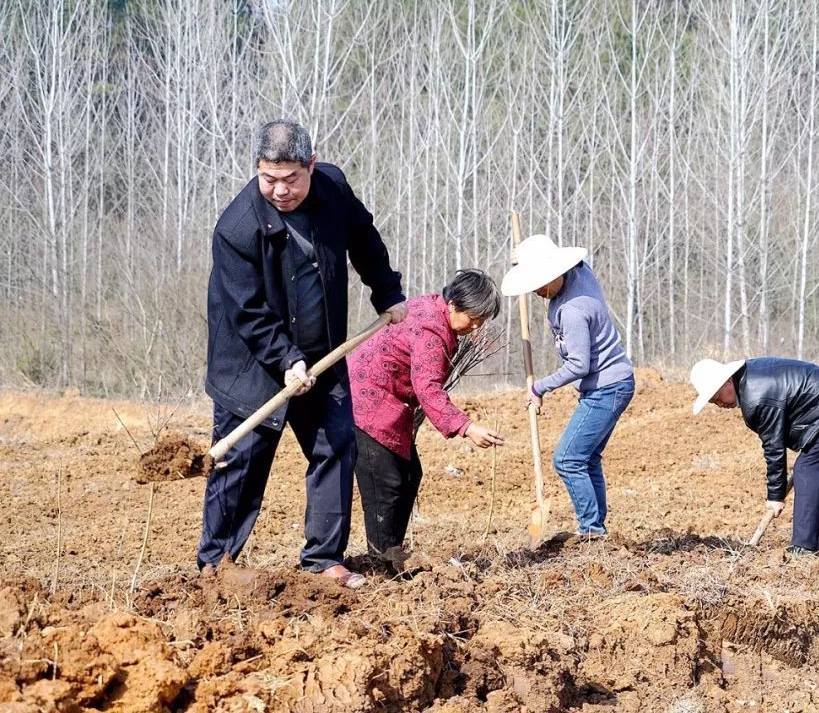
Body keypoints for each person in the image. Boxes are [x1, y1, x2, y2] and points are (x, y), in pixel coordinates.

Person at [201, 120, 407, 587]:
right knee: (242, 466)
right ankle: (215, 567)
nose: (279, 190)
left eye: (291, 178)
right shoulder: (236, 229)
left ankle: (324, 559)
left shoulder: (332, 188)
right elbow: (247, 312)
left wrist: (387, 292)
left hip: (322, 355)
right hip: (252, 366)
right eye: (268, 178)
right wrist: (286, 358)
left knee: (336, 446)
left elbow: (364, 238)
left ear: (311, 165)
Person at [347, 269, 506, 558]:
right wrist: (467, 427)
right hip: (367, 405)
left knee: (409, 475)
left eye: (481, 321)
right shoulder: (432, 330)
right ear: (454, 304)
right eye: (473, 318)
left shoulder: (437, 310)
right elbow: (428, 388)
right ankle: (381, 560)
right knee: (387, 484)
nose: (475, 327)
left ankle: (392, 552)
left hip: (390, 404)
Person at [500, 235, 635, 536]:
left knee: (568, 459)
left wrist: (539, 387)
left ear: (554, 273)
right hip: (614, 383)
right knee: (588, 458)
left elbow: (578, 365)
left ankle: (591, 530)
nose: (534, 290)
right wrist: (523, 257)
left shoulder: (572, 311)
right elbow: (574, 259)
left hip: (607, 387)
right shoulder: (580, 272)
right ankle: (596, 530)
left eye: (538, 283)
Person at [689, 357, 819, 555]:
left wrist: (775, 496)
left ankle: (804, 547)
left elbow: (774, 447)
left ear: (727, 381)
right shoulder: (750, 380)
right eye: (712, 402)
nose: (719, 404)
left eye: (716, 397)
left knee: (807, 471)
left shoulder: (756, 398)